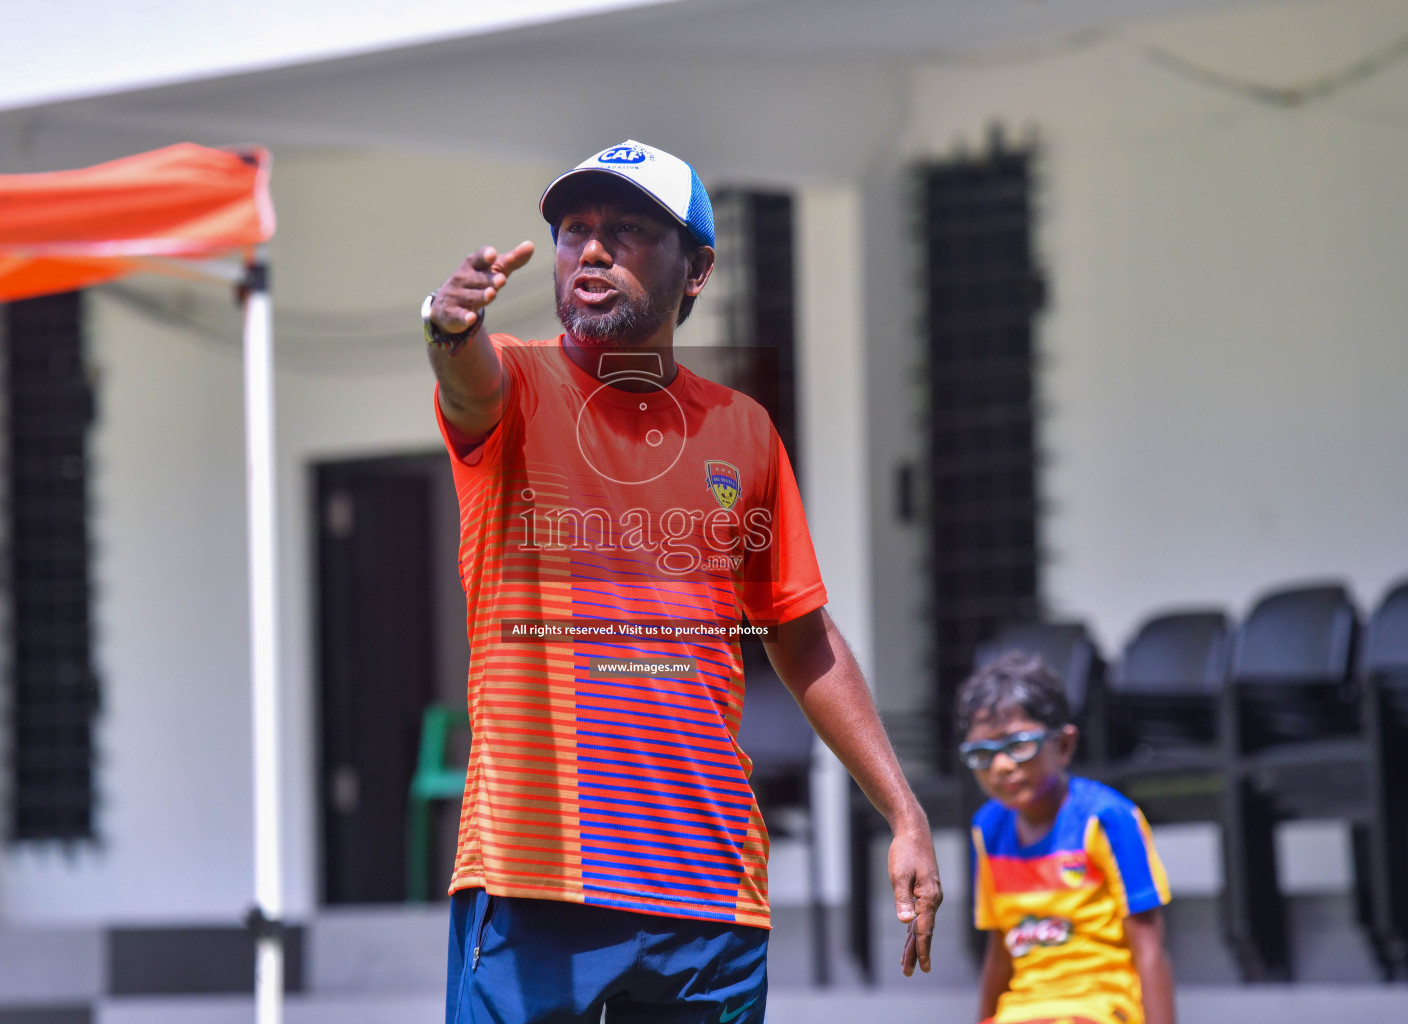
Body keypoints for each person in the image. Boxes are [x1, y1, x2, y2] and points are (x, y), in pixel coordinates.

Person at [422, 139, 943, 1023]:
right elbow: (464, 383)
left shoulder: (743, 431)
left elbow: (803, 636)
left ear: (696, 269)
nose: (592, 250)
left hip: (709, 898)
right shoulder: (517, 383)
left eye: (627, 231)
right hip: (533, 874)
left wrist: (904, 812)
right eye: (575, 230)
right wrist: (447, 326)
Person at [959, 652, 1176, 1024]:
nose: (1001, 766)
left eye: (1018, 745)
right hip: (1022, 1010)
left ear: (1062, 746)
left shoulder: (1107, 819)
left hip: (1100, 1006)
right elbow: (999, 952)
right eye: (982, 753)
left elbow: (1149, 950)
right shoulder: (988, 829)